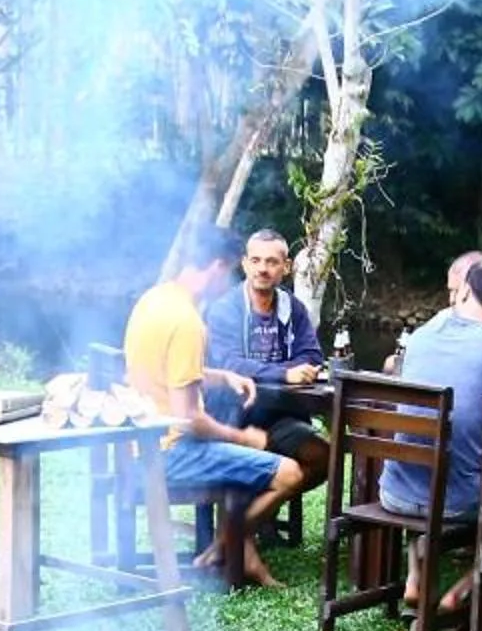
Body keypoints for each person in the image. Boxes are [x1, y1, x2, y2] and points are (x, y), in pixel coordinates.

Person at [122, 226, 306, 587]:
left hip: (134, 447)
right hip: (169, 454)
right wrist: (243, 438)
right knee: (290, 473)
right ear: (219, 267)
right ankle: (226, 548)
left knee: (256, 461)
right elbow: (189, 419)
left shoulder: (153, 300)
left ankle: (236, 550)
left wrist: (220, 376)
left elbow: (164, 369)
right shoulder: (188, 322)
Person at [379, 253, 482, 611]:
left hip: (392, 491)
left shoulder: (422, 336)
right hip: (454, 503)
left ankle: (415, 578)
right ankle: (466, 589)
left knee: (428, 462)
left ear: (465, 290)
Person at [199, 228, 332, 490]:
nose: (263, 269)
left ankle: (252, 520)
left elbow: (312, 355)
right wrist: (285, 373)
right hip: (233, 416)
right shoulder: (225, 309)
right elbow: (230, 363)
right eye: (256, 260)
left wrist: (291, 370)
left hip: (281, 415)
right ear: (245, 264)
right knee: (256, 462)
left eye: (272, 262)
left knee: (324, 456)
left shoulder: (293, 307)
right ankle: (245, 524)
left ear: (287, 266)